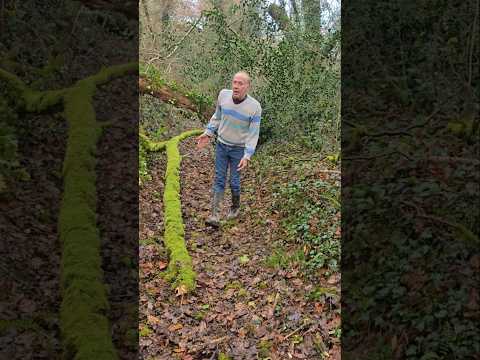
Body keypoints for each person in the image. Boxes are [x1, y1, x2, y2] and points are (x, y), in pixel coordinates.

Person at [196, 71, 262, 227]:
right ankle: (215, 215)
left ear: (248, 86)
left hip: (238, 150)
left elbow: (253, 134)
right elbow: (217, 117)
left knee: (234, 182)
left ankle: (235, 207)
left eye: (240, 83)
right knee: (219, 179)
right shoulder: (223, 96)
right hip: (221, 145)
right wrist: (208, 133)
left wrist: (247, 155)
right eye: (234, 82)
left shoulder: (254, 107)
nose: (236, 86)